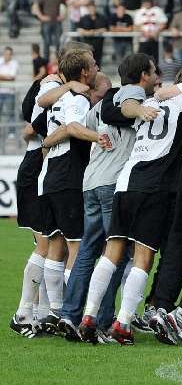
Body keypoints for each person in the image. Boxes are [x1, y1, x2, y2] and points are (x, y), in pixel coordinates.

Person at [78, 65, 182, 344]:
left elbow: (121, 109)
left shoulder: (150, 102)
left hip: (126, 180)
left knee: (111, 252)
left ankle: (88, 317)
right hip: (155, 186)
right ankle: (122, 324)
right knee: (143, 258)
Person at [55, 57, 157, 342]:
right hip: (114, 182)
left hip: (91, 182)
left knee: (87, 250)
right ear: (142, 75)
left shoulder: (100, 107)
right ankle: (101, 320)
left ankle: (69, 314)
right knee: (116, 252)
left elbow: (78, 128)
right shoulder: (133, 95)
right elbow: (130, 110)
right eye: (153, 72)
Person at [35, 49, 100, 333]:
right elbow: (73, 127)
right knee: (77, 246)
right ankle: (69, 313)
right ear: (84, 72)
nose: (97, 67)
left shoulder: (60, 97)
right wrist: (99, 137)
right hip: (69, 176)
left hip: (50, 176)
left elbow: (49, 123)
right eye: (94, 64)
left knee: (56, 244)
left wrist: (49, 140)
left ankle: (55, 310)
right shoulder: (77, 98)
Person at [0, 47, 19, 122]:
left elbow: (11, 77)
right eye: (6, 54)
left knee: (10, 114)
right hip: (0, 91)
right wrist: (6, 77)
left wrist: (1, 76)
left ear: (11, 55)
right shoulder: (0, 61)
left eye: (9, 54)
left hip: (10, 92)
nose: (7, 56)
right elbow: (9, 76)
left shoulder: (14, 63)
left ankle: (11, 130)